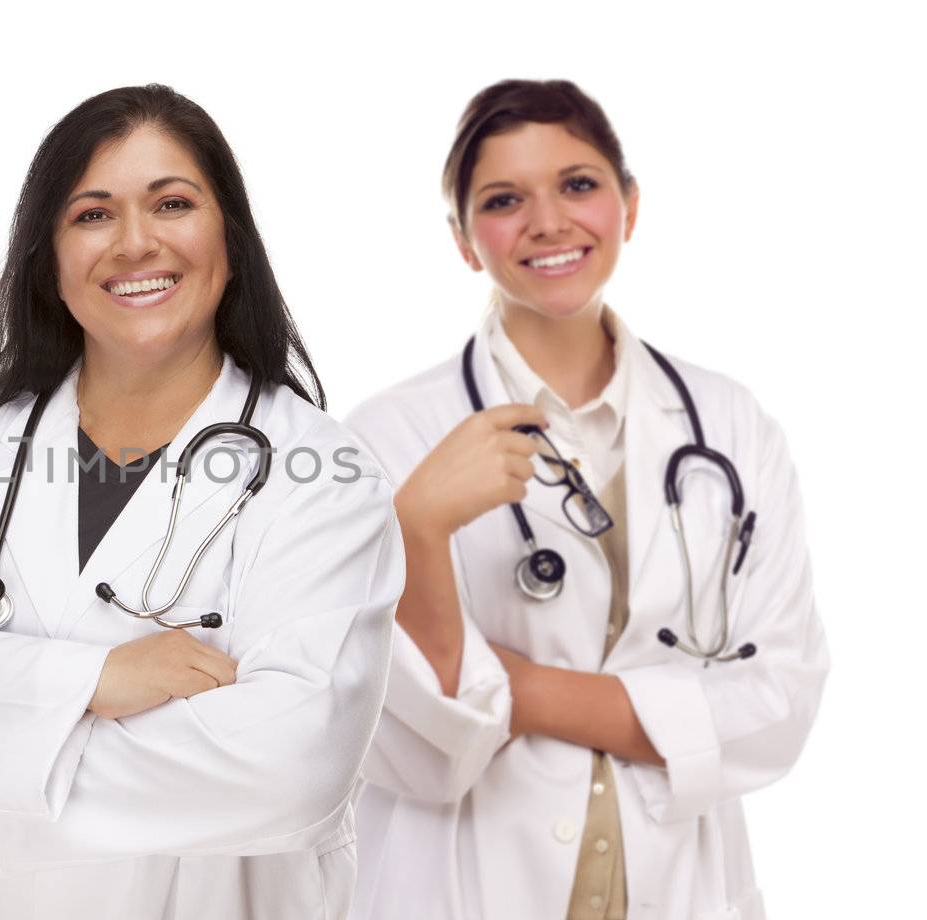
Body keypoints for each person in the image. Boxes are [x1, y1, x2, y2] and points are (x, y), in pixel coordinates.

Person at [0, 84, 401, 920]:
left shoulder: (322, 470)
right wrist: (93, 679)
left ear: (230, 238)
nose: (135, 244)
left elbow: (292, 764)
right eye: (93, 214)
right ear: (49, 257)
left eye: (172, 203)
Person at [345, 79, 829, 920]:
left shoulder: (730, 426)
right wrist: (417, 526)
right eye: (503, 200)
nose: (549, 221)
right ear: (463, 240)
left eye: (578, 184)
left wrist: (521, 692)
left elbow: (779, 707)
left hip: (682, 883)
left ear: (629, 206)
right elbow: (411, 750)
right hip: (465, 883)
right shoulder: (389, 438)